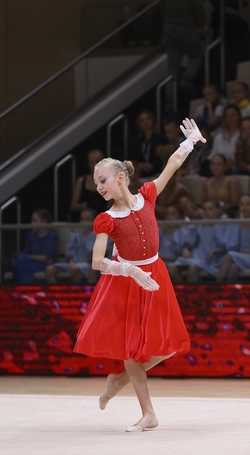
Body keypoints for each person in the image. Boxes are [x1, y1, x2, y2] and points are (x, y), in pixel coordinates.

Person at [75, 118, 204, 432]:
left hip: (155, 274)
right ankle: (149, 414)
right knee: (132, 350)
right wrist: (129, 269)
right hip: (126, 280)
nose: (99, 187)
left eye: (103, 180)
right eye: (96, 183)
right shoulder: (106, 219)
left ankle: (119, 380)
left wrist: (191, 142)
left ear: (121, 178)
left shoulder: (147, 194)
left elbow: (171, 165)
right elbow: (96, 262)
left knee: (171, 343)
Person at [161, 0, 207, 102]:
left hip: (169, 28)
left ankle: (170, 103)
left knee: (173, 68)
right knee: (196, 56)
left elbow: (162, 8)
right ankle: (186, 79)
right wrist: (204, 22)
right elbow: (197, 4)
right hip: (186, 27)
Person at [169, 200, 239, 282]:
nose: (207, 212)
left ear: (218, 211)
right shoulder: (199, 224)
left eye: (210, 209)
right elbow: (190, 242)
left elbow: (226, 245)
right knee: (172, 267)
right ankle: (180, 291)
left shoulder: (223, 225)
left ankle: (192, 293)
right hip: (198, 254)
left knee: (192, 267)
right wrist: (186, 249)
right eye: (205, 210)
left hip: (212, 257)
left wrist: (214, 251)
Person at [216, 194, 250, 281]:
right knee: (233, 267)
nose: (245, 207)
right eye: (242, 204)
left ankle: (215, 288)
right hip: (239, 256)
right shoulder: (236, 224)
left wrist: (245, 252)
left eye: (248, 204)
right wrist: (243, 252)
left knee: (229, 256)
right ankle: (227, 293)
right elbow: (232, 246)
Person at [47, 208, 98, 284]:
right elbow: (70, 252)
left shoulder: (97, 236)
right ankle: (56, 294)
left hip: (87, 263)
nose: (84, 222)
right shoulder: (75, 235)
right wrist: (71, 261)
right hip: (73, 263)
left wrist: (80, 262)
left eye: (87, 219)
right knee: (49, 269)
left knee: (74, 269)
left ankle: (76, 294)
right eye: (82, 219)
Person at [181, 153, 240, 219]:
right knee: (184, 201)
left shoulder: (231, 181)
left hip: (225, 214)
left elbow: (235, 205)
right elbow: (202, 204)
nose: (215, 167)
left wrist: (217, 208)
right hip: (207, 214)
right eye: (213, 164)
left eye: (219, 164)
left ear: (225, 166)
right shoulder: (207, 183)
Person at [12, 209, 58, 284]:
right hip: (30, 263)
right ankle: (25, 287)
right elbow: (25, 253)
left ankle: (25, 288)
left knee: (17, 265)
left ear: (44, 221)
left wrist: (29, 257)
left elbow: (45, 258)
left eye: (34, 220)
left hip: (43, 265)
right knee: (19, 261)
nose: (32, 223)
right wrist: (27, 257)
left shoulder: (51, 236)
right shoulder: (31, 235)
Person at [128, 111, 166, 178]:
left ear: (153, 121)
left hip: (158, 173)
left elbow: (165, 159)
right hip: (140, 175)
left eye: (148, 119)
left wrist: (152, 166)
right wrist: (140, 165)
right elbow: (132, 159)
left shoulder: (161, 139)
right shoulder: (136, 142)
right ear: (139, 124)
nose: (145, 122)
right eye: (142, 120)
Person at [71, 149, 107, 216]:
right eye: (91, 162)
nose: (94, 165)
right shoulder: (81, 181)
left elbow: (112, 205)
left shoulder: (110, 181)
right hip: (86, 220)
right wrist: (83, 206)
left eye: (97, 161)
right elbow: (73, 206)